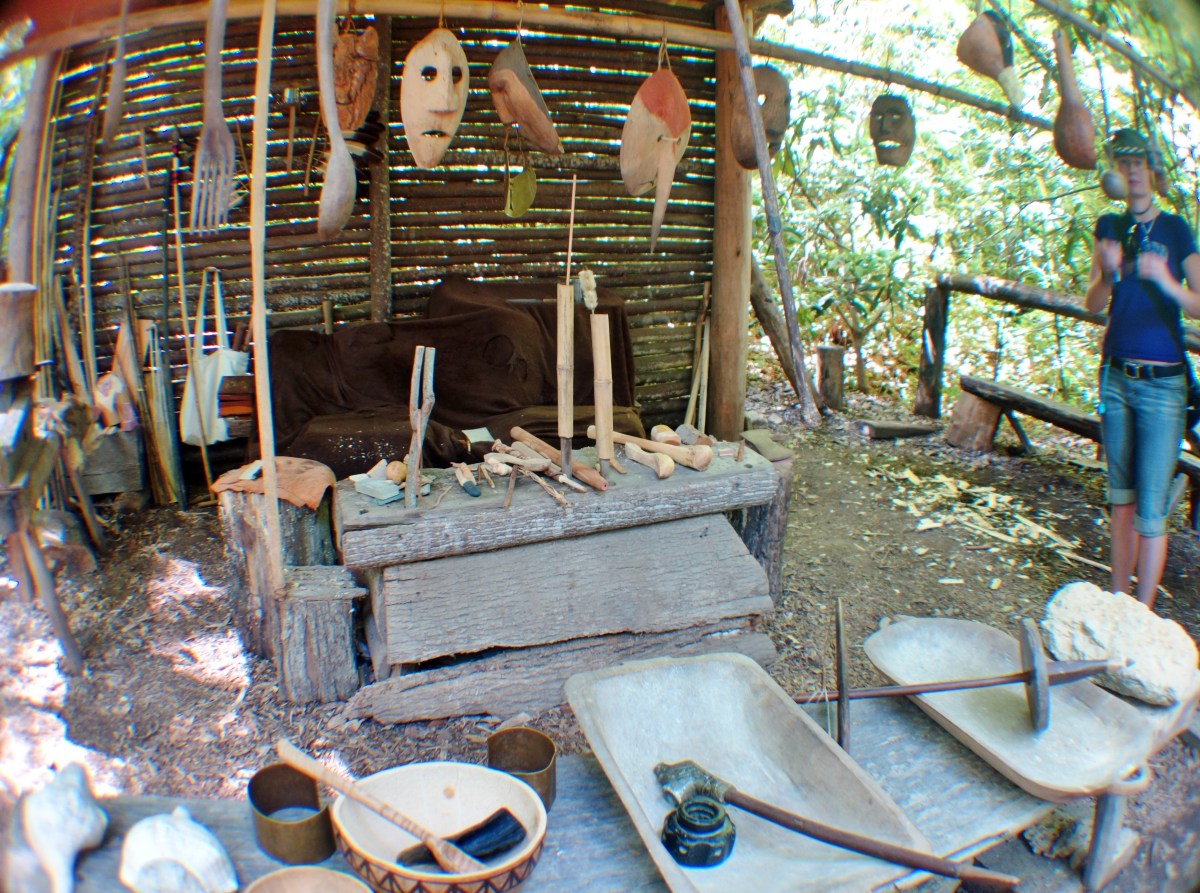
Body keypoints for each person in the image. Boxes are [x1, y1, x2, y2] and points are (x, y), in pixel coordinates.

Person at [1084, 128, 1200, 608]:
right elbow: (1093, 302)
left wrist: (1166, 281)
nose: (1131, 171)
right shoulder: (1109, 226)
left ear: (1152, 170)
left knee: (1151, 510)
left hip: (1163, 386)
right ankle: (1118, 604)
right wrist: (1110, 272)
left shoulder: (1175, 229)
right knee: (1122, 500)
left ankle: (1142, 615)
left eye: (1138, 162)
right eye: (1122, 162)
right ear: (1113, 170)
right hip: (1116, 379)